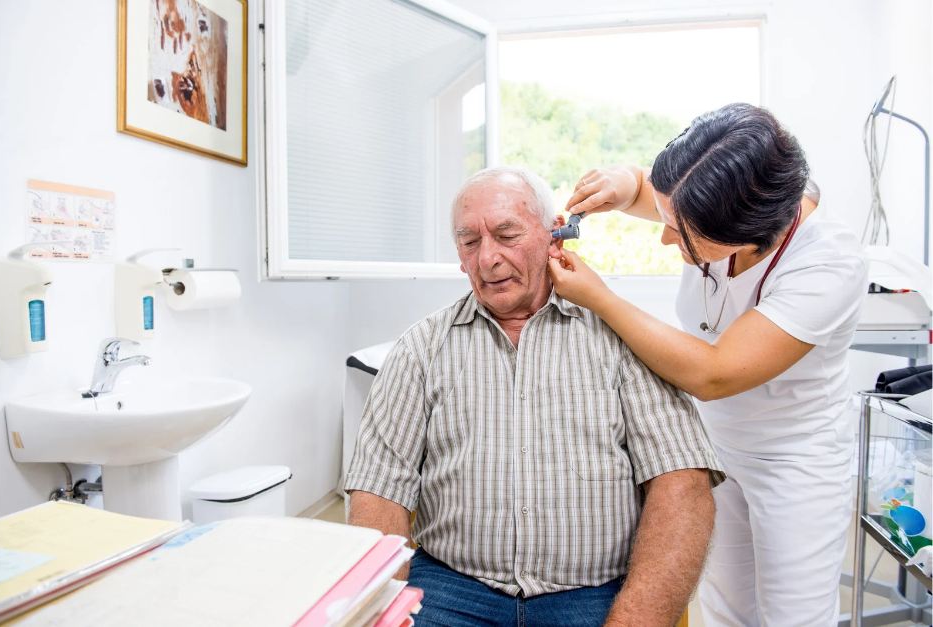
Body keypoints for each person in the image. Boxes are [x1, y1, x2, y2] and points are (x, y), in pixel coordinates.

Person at [345, 165, 725, 627]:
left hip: (595, 592)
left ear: (555, 238)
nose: (488, 258)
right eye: (470, 242)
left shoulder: (621, 337)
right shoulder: (421, 348)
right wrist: (377, 612)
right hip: (453, 586)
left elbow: (682, 485)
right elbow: (378, 491)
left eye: (507, 235)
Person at [548, 103, 868, 627]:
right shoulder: (715, 188)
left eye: (682, 234)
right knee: (724, 609)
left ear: (745, 239)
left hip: (795, 458)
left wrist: (599, 298)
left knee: (794, 616)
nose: (664, 237)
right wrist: (623, 183)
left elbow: (715, 372)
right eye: (667, 217)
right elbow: (646, 191)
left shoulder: (827, 264)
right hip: (716, 446)